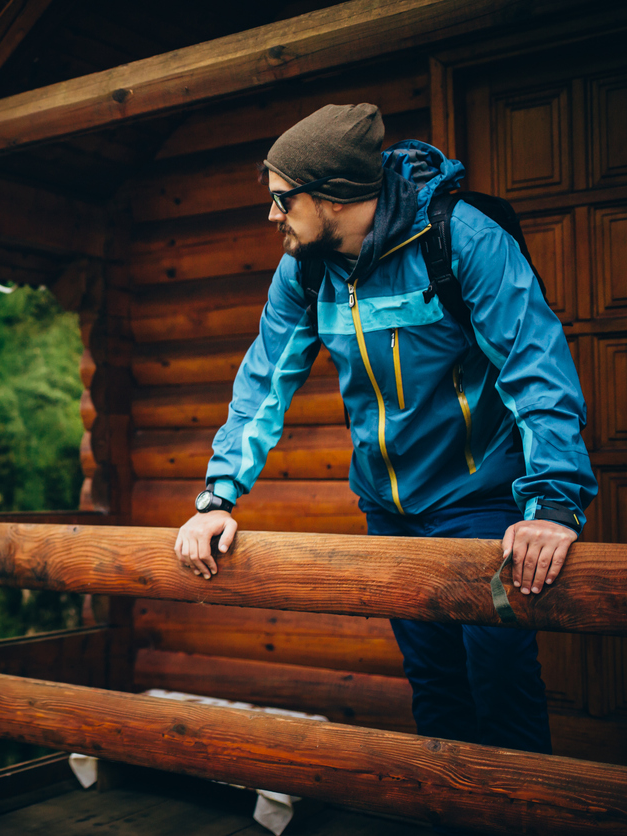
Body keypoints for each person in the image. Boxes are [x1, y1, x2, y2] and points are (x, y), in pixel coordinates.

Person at [173, 104, 596, 761]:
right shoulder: (306, 271)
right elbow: (263, 387)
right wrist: (216, 500)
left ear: (333, 198)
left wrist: (554, 505)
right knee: (435, 692)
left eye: (283, 200)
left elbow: (535, 369)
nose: (272, 216)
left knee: (501, 687)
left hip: (482, 505)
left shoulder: (461, 241)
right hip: (390, 514)